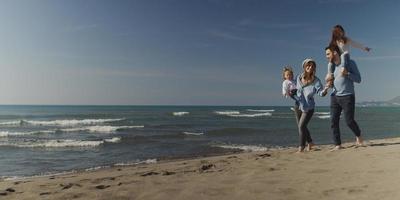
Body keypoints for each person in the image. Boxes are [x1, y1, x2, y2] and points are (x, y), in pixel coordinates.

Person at [325, 45, 363, 150]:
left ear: (335, 52)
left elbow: (358, 79)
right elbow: (332, 83)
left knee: (349, 121)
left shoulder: (350, 63)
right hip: (334, 96)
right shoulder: (331, 67)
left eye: (328, 54)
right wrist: (328, 82)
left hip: (348, 96)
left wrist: (347, 73)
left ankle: (358, 135)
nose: (327, 56)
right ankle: (338, 144)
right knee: (333, 121)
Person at [294, 59, 329, 152]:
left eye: (312, 66)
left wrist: (325, 90)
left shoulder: (316, 81)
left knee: (301, 126)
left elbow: (320, 93)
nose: (310, 67)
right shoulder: (298, 78)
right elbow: (293, 87)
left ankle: (301, 147)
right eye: (308, 65)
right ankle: (310, 142)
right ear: (304, 67)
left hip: (309, 107)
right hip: (298, 105)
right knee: (301, 126)